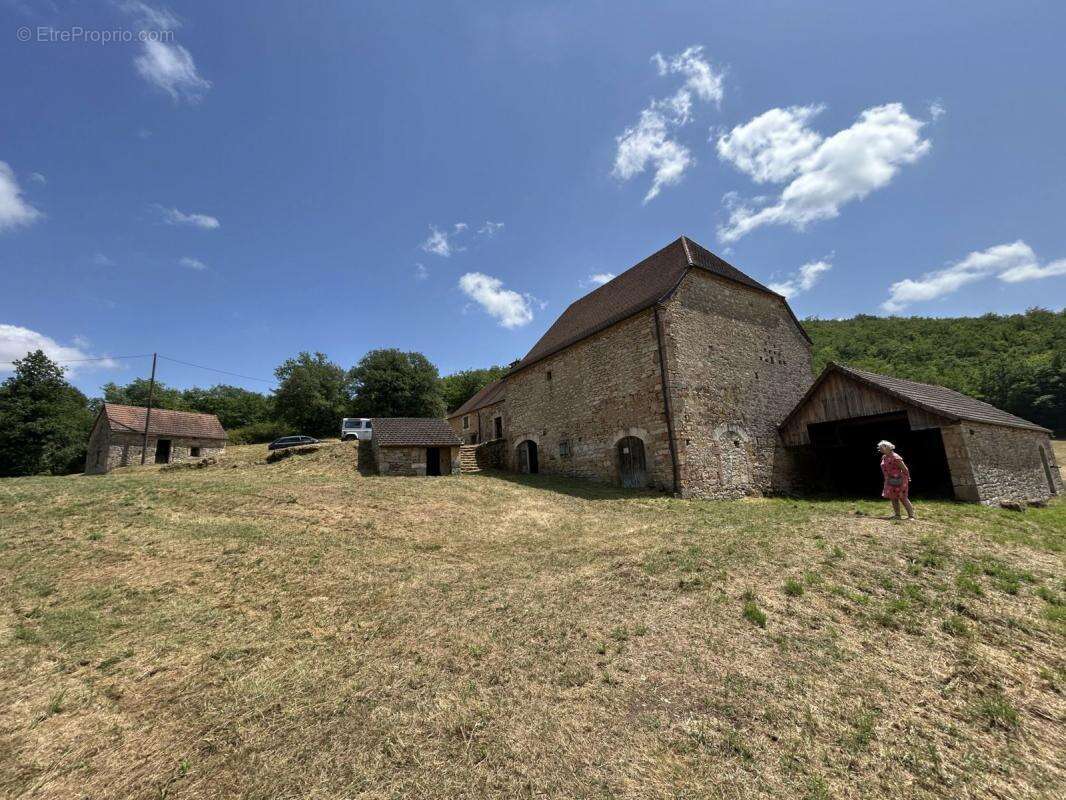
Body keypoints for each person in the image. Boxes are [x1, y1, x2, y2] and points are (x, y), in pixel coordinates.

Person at [878, 440, 915, 520]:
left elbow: (905, 469)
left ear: (887, 448)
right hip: (890, 480)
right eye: (880, 448)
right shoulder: (884, 457)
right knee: (893, 497)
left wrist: (907, 477)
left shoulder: (895, 457)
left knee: (903, 497)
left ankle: (911, 516)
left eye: (881, 448)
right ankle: (897, 515)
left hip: (900, 480)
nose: (880, 450)